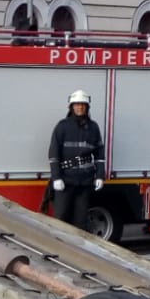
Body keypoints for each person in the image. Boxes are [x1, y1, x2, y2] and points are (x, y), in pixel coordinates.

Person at [48, 89, 105, 231]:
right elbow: (54, 153)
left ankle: (78, 251)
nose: (80, 107)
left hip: (84, 182)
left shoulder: (93, 127)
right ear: (72, 107)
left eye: (83, 105)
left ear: (87, 107)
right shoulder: (62, 126)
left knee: (80, 222)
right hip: (65, 181)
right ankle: (58, 250)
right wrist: (56, 178)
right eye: (77, 104)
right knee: (60, 218)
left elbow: (99, 155)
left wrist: (100, 176)